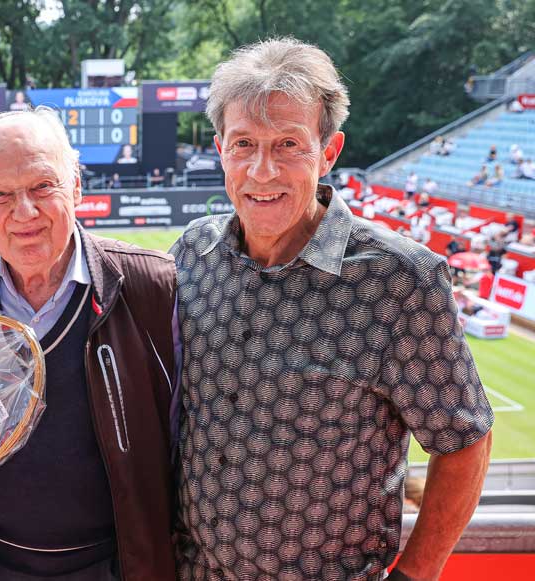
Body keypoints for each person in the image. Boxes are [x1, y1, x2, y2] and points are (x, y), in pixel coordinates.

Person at [170, 38, 493, 581]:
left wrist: (416, 575)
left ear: (329, 151)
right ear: (220, 147)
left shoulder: (398, 282)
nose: (262, 170)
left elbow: (465, 441)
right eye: (244, 143)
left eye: (289, 145)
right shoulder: (193, 254)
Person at [0, 108, 177, 581]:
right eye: (1, 195)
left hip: (114, 566)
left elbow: (182, 441)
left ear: (76, 186)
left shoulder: (150, 287)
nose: (24, 212)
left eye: (41, 187)